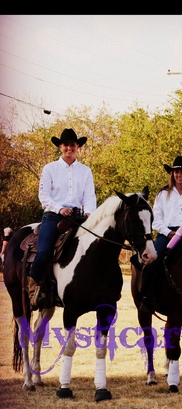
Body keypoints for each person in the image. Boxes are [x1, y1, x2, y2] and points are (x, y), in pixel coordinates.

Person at [28, 128, 97, 306]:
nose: (69, 148)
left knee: (94, 246)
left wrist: (90, 212)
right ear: (60, 146)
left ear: (77, 147)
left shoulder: (85, 171)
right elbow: (44, 196)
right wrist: (59, 209)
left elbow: (89, 196)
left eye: (72, 145)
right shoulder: (50, 168)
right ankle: (32, 288)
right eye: (66, 144)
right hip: (53, 216)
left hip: (78, 217)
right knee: (43, 251)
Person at [140, 155, 182, 310]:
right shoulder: (163, 194)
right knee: (153, 261)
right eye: (176, 172)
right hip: (166, 234)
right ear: (172, 174)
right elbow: (156, 219)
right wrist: (168, 233)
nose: (179, 175)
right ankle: (146, 298)